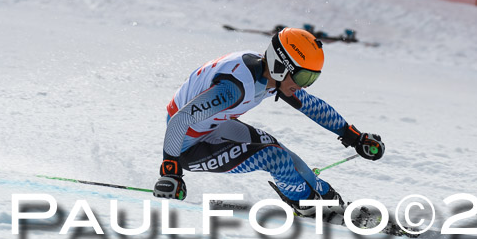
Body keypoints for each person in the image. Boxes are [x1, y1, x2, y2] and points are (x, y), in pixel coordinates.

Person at [152, 28, 385, 215]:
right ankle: (307, 205)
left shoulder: (270, 75)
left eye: (312, 78)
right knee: (274, 157)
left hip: (213, 126)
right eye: (303, 76)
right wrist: (170, 172)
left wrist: (354, 136)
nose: (303, 85)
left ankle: (326, 197)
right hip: (185, 146)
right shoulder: (234, 89)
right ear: (280, 66)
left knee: (282, 152)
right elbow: (180, 120)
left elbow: (312, 106)